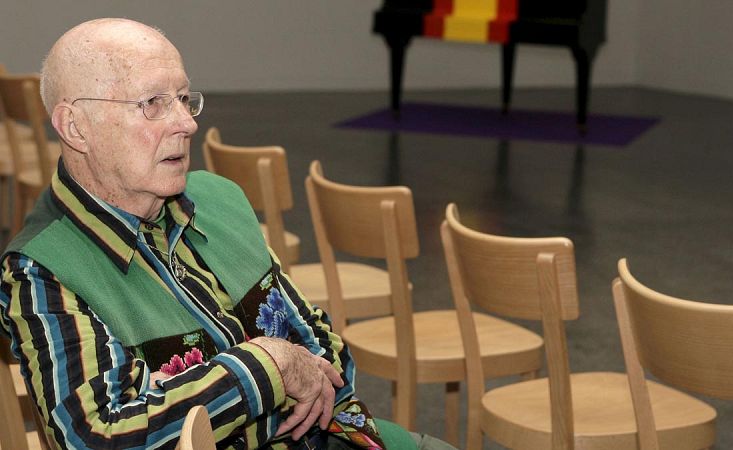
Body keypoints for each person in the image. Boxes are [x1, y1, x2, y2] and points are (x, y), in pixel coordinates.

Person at [0, 18, 453, 450]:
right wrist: (271, 366)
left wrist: (217, 397)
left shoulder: (218, 198)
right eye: (153, 103)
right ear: (76, 127)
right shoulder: (40, 268)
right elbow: (101, 438)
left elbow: (324, 350)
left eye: (184, 98)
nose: (186, 122)